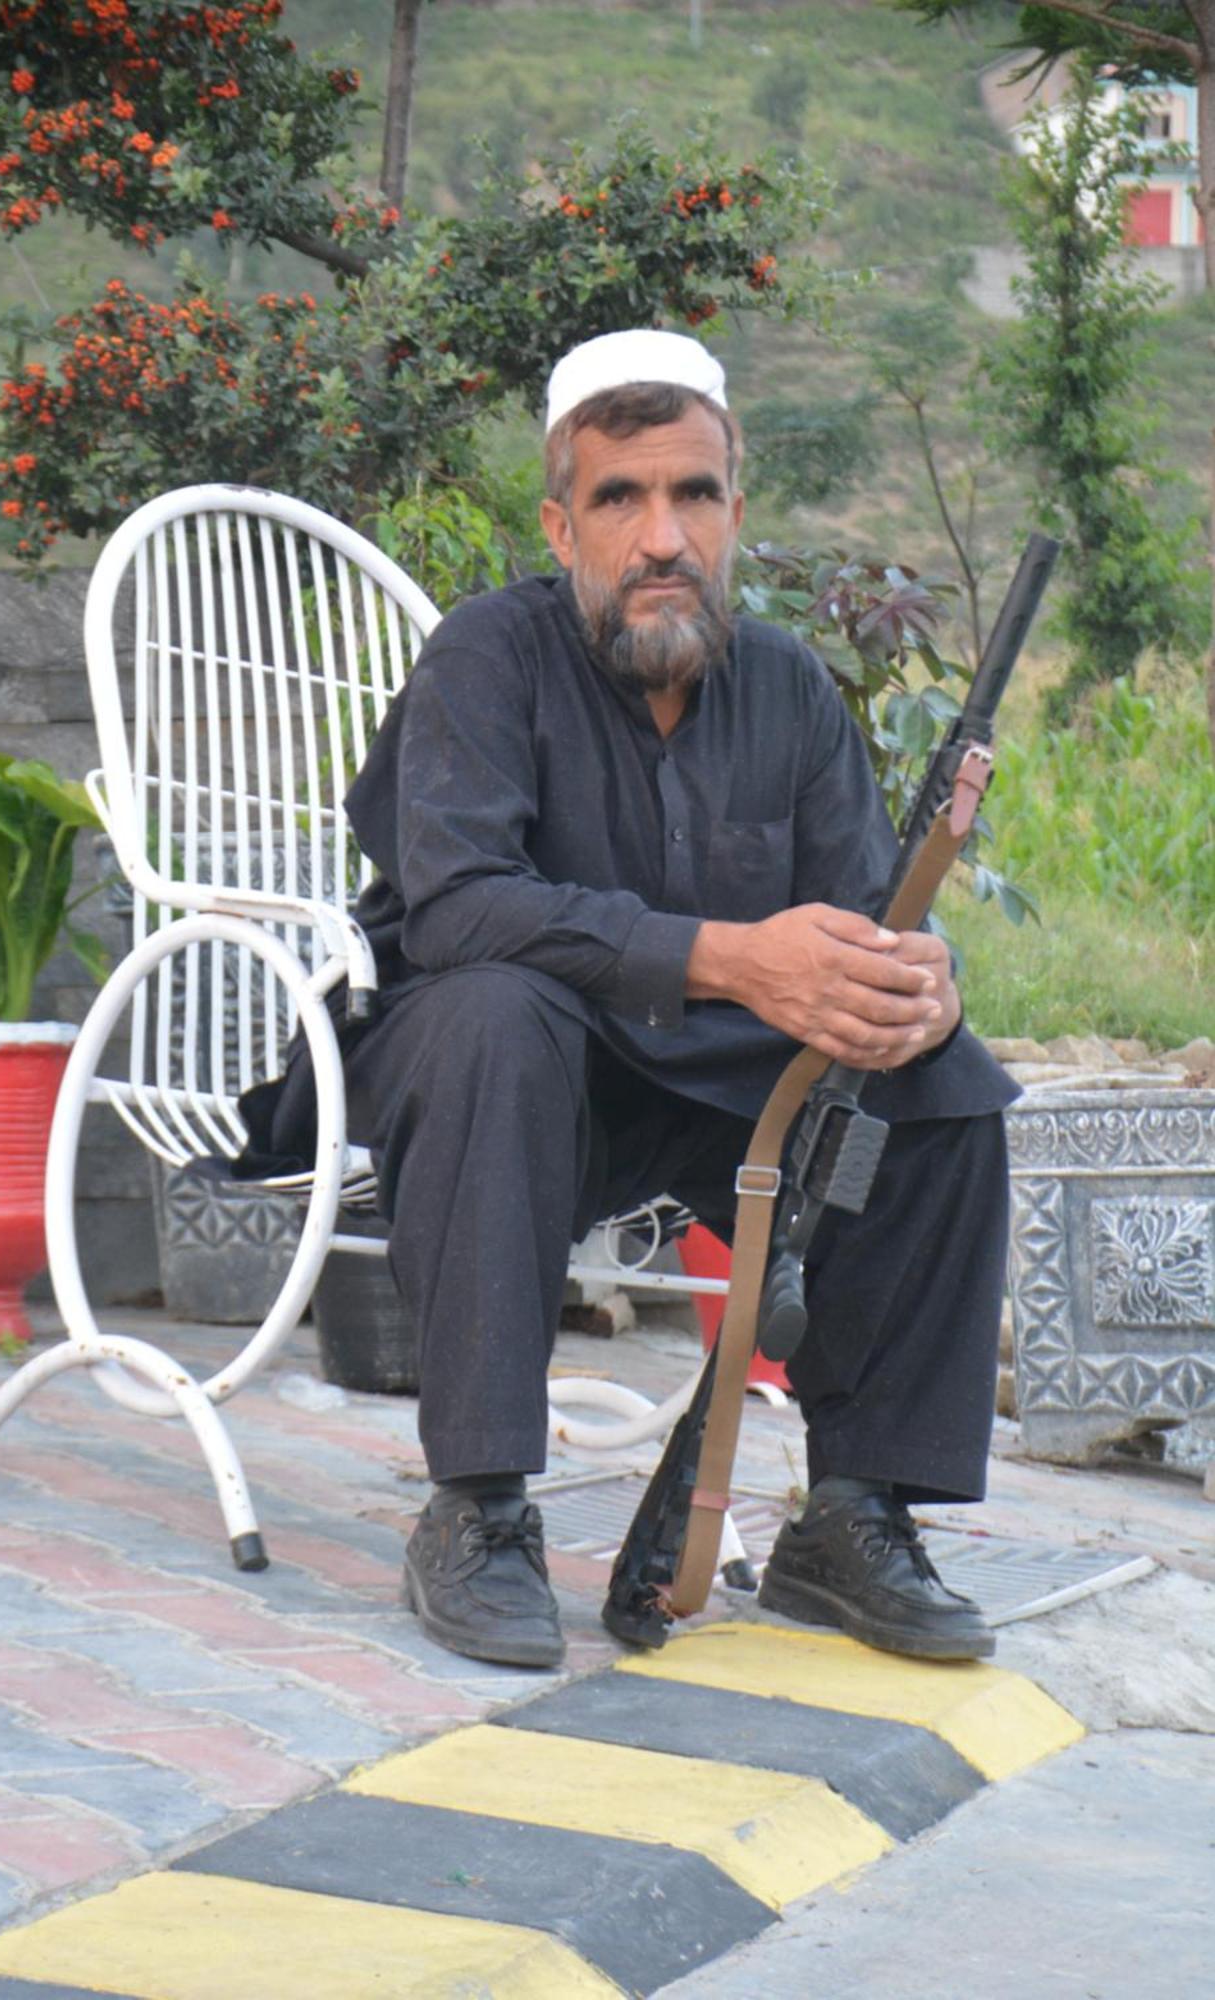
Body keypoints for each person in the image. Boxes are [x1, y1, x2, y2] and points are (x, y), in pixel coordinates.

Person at [242, 328, 1017, 1673]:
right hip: (499, 1074)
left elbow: (858, 925)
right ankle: (478, 1511)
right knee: (495, 1012)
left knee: (941, 1081)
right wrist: (732, 958)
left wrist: (912, 983)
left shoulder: (784, 687)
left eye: (694, 495)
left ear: (733, 511)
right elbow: (461, 903)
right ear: (562, 525)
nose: (664, 537)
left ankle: (854, 1511)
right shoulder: (486, 657)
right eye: (622, 498)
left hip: (719, 1087)